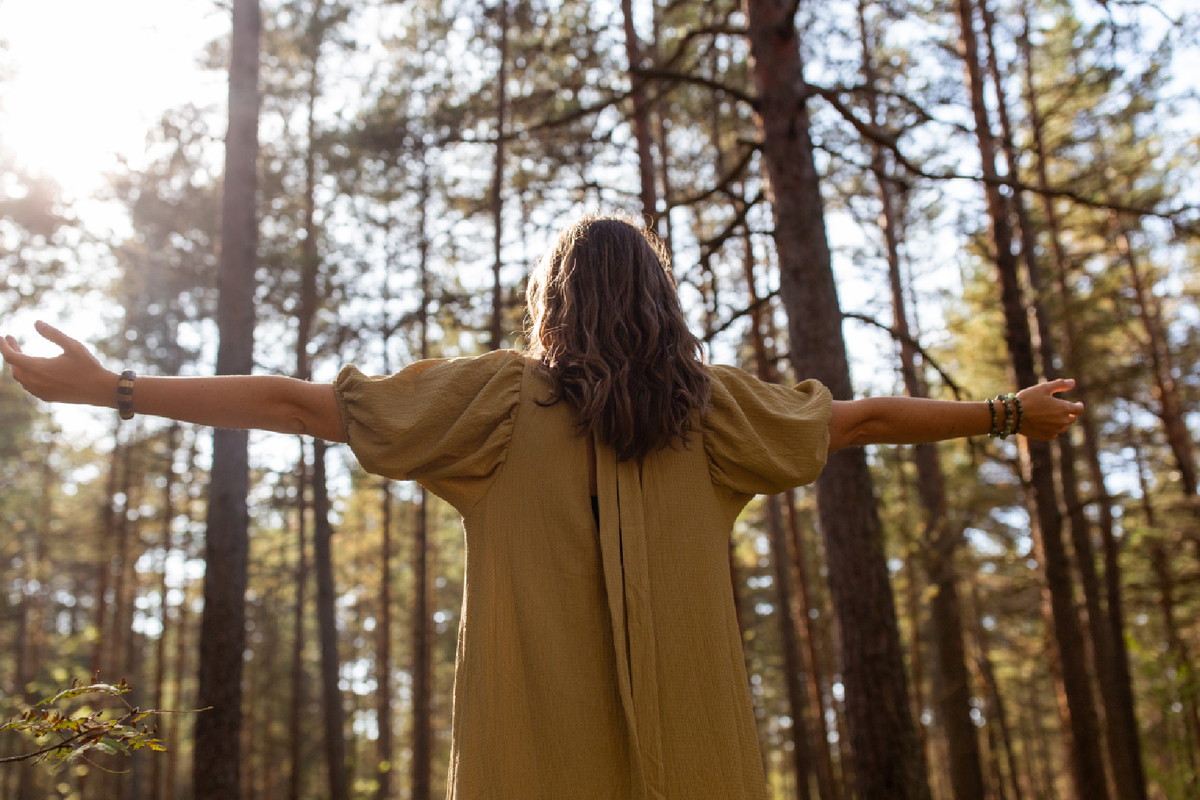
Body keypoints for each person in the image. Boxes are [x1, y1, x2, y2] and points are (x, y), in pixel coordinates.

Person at [1, 214, 1082, 799]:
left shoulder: (493, 405)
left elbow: (294, 399)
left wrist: (116, 387)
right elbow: (865, 420)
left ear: (550, 302)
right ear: (662, 300)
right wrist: (1002, 411)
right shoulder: (716, 414)